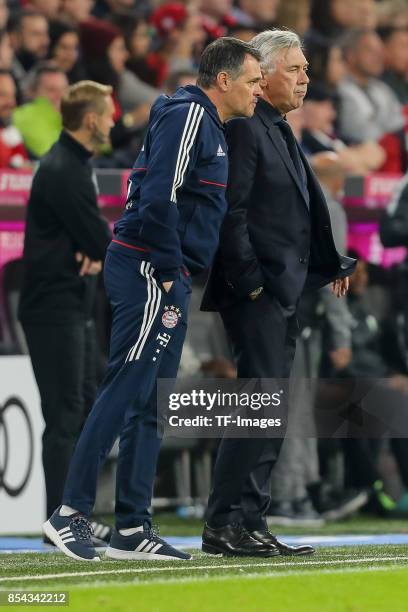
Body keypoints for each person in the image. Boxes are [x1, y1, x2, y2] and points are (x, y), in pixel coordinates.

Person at [43, 36, 264, 563]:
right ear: (225, 80)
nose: (259, 91)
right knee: (126, 385)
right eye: (254, 81)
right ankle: (69, 512)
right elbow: (160, 194)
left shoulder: (210, 125)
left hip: (170, 270)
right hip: (150, 266)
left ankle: (132, 527)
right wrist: (166, 269)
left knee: (151, 402)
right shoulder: (189, 114)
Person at [201, 29, 355, 558]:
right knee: (259, 406)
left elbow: (301, 210)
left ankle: (247, 521)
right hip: (258, 292)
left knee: (269, 409)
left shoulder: (279, 129)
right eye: (294, 69)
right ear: (260, 77)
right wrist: (252, 285)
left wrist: (329, 263)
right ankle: (225, 521)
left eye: (307, 70)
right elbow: (233, 211)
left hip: (280, 289)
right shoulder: (248, 129)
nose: (305, 79)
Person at [18, 81, 114, 540]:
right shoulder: (64, 170)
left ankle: (70, 513)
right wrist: (94, 249)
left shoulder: (72, 164)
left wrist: (93, 250)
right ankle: (61, 519)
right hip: (53, 307)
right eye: (108, 113)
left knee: (82, 404)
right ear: (91, 120)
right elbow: (98, 239)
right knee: (64, 413)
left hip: (70, 304)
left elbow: (93, 242)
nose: (115, 120)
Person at [13, 63, 68, 157]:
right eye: (52, 90)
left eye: (64, 89)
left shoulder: (68, 115)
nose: (61, 95)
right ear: (32, 92)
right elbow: (48, 152)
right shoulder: (25, 115)